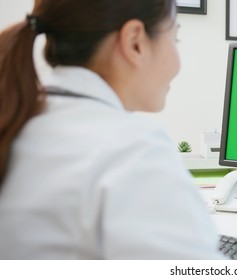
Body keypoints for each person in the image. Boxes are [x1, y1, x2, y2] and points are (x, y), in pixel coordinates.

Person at [0, 0, 225, 259]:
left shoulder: (21, 117)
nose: (177, 62)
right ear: (135, 42)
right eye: (175, 38)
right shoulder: (131, 148)